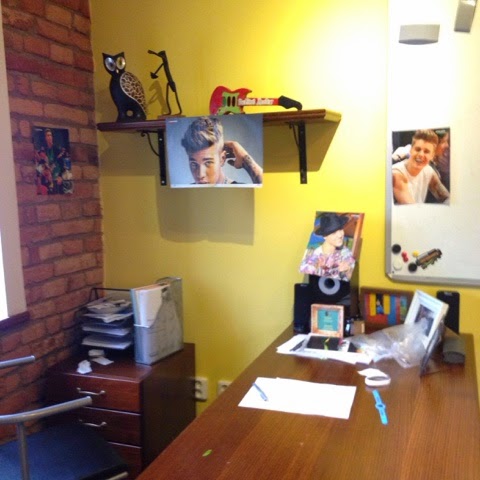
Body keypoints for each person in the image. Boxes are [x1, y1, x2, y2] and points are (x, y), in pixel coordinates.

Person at [180, 116, 263, 185]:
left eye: (208, 162)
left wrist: (246, 161)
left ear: (222, 159)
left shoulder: (241, 190)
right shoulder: (185, 192)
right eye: (194, 164)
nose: (200, 175)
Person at [392, 129, 450, 204]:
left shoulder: (428, 171)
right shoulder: (397, 173)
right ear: (411, 150)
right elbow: (410, 208)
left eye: (426, 151)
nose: (421, 154)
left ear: (432, 156)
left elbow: (446, 198)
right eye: (417, 149)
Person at [299, 213, 356, 281]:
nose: (340, 235)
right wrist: (317, 269)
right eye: (334, 233)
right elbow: (305, 279)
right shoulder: (313, 255)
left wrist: (348, 270)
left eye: (340, 229)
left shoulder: (346, 252)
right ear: (325, 236)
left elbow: (351, 279)